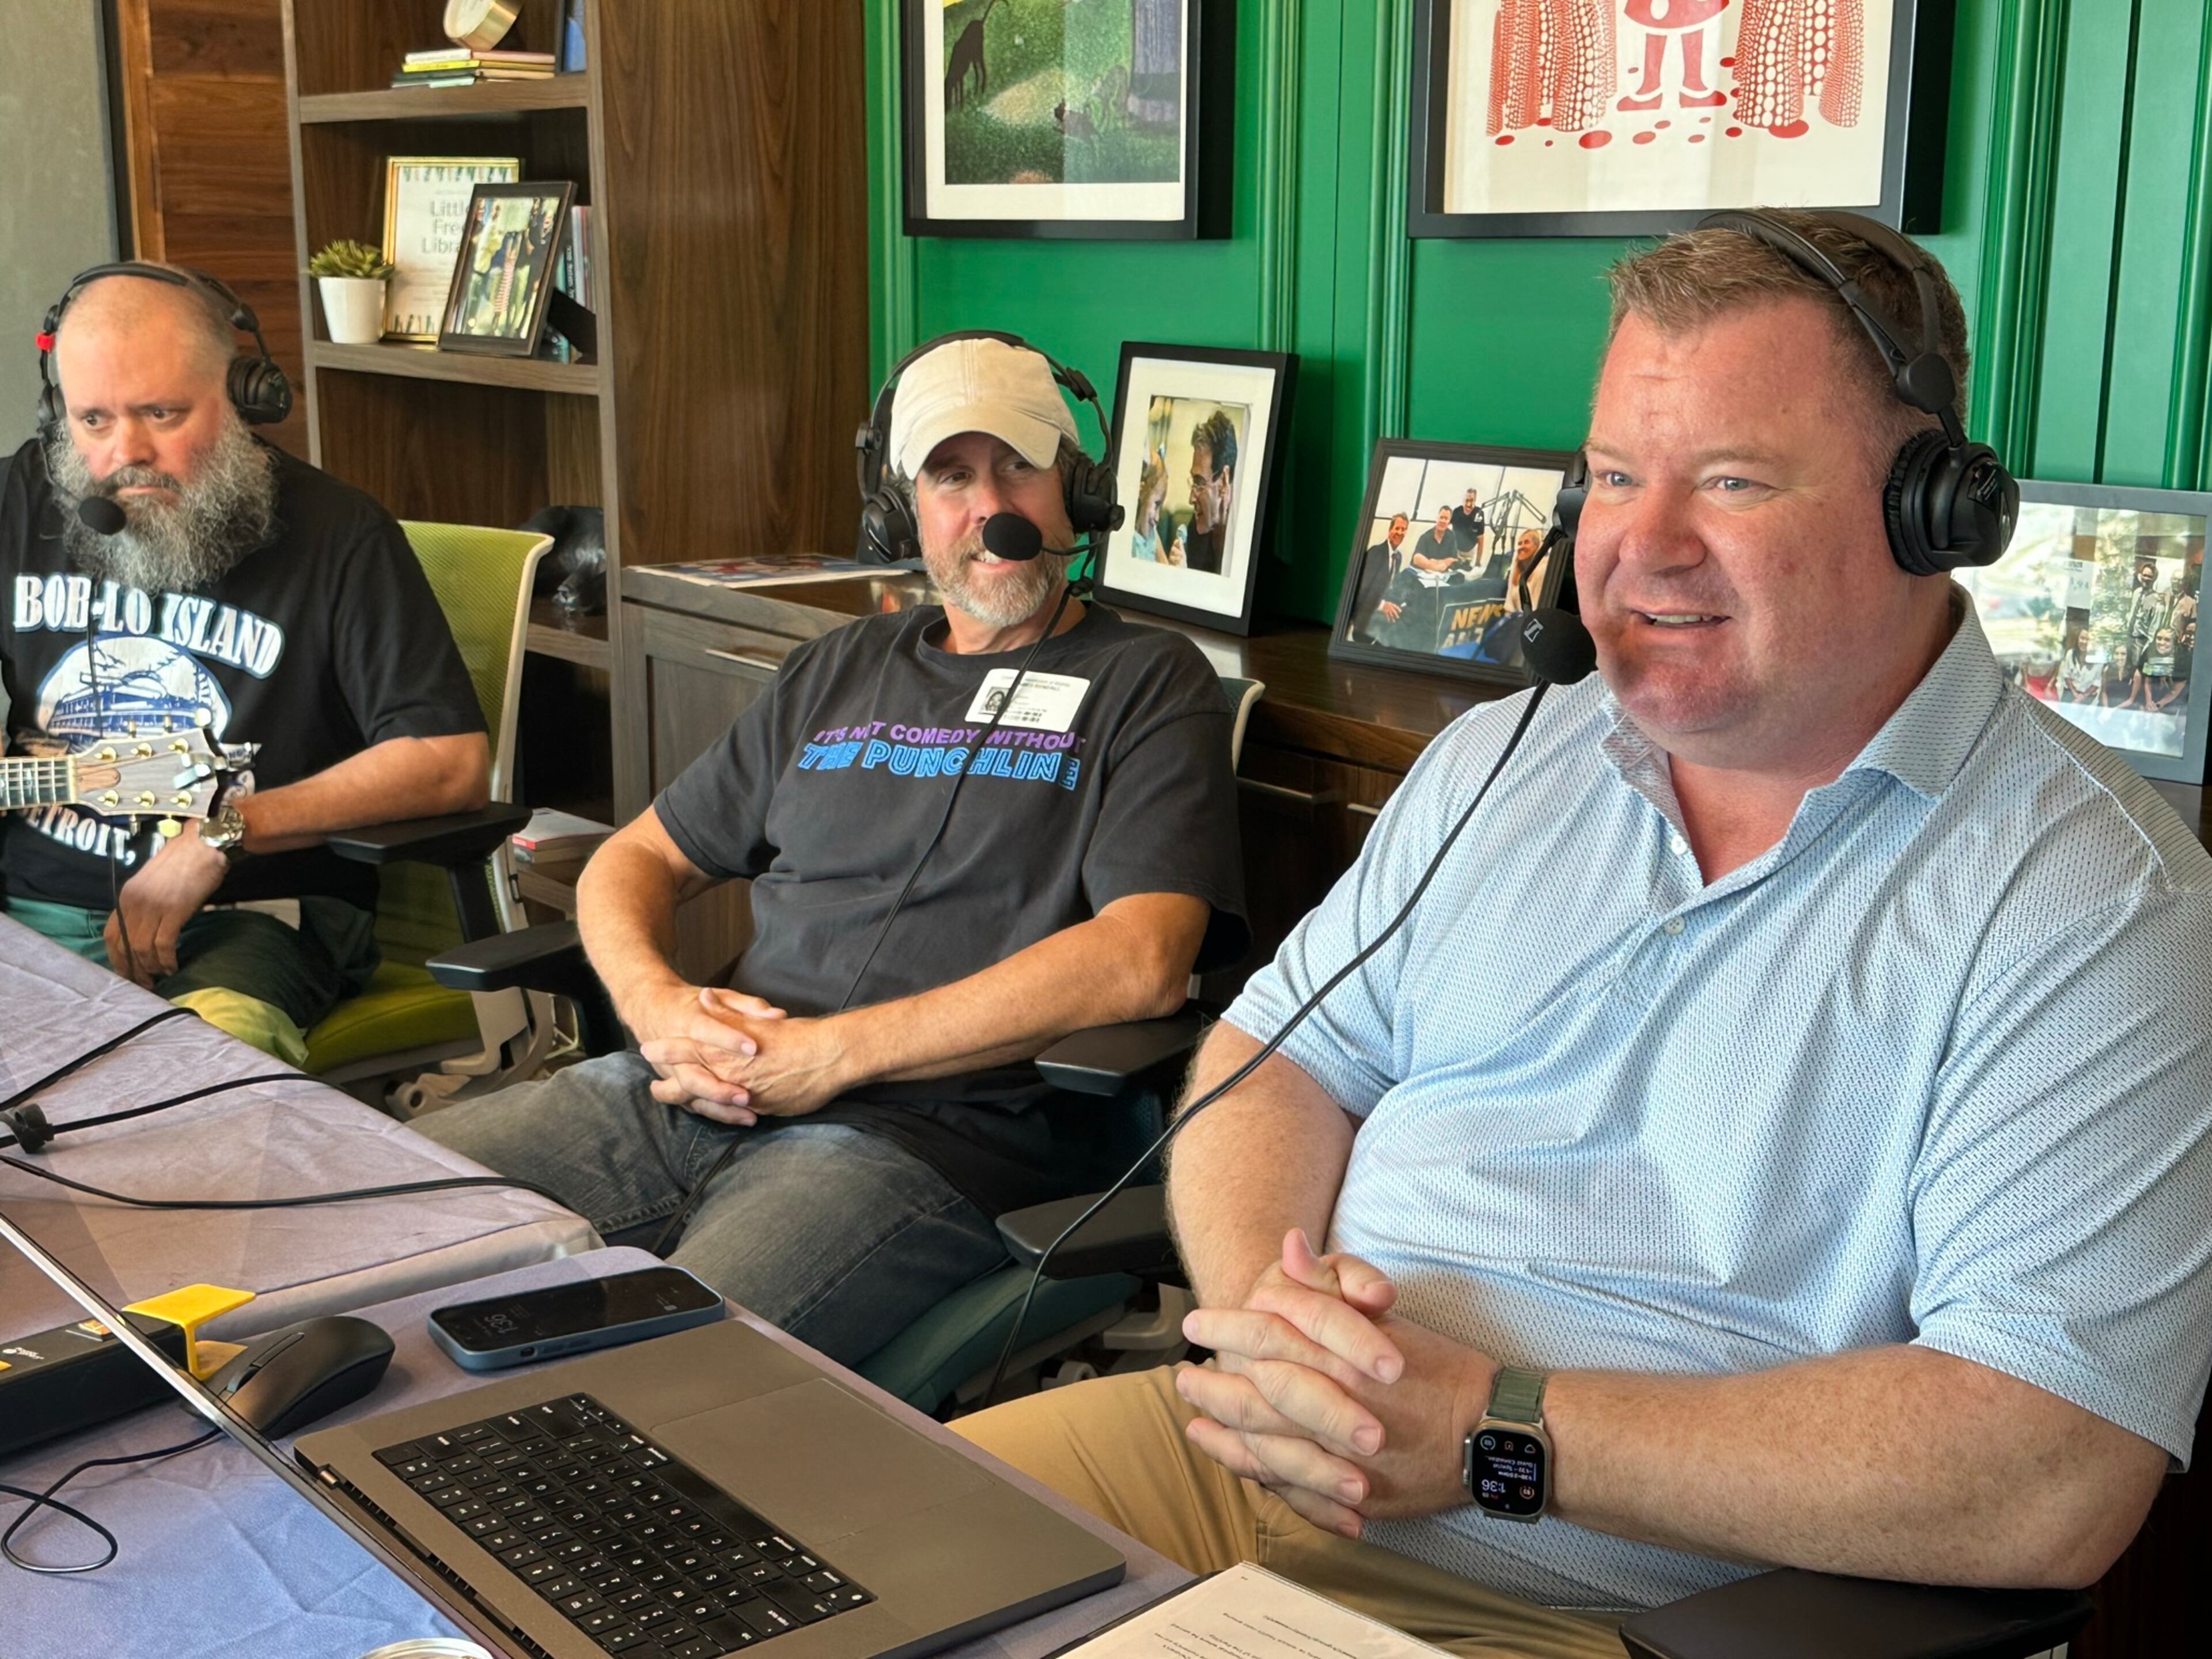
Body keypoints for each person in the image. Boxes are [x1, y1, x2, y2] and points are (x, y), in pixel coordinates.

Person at [955, 213, 2212, 1652]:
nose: (1639, 548)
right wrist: (1280, 1341)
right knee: (817, 1572)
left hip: (1610, 1612)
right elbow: (1274, 1058)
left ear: (1929, 507)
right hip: (1232, 1467)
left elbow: (2043, 1469)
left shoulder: (2097, 907)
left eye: (1729, 480)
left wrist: (1494, 1437)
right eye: (1612, 476)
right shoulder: (1511, 755)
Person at [419, 335, 1249, 1365]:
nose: (990, 506)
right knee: (366, 1223)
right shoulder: (840, 666)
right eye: (952, 475)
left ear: (1076, 491)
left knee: (663, 1374)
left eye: (1019, 468)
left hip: (914, 1145)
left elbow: (1142, 959)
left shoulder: (1149, 682)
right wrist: (660, 1011)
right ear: (903, 510)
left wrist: (831, 1057)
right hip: (684, 1090)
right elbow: (631, 861)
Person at [0, 266, 490, 1065]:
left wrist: (225, 832)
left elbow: (449, 763)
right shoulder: (19, 500)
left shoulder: (341, 535)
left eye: (162, 413)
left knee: (190, 1081)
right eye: (92, 420)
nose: (128, 454)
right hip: (34, 911)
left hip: (257, 918)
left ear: (242, 394)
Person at [1184, 408, 1237, 574]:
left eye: (1200, 483)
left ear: (1224, 481)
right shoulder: (1195, 528)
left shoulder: (1242, 537)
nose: (1191, 499)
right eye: (1194, 482)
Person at [1352, 513, 1411, 642]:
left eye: (1403, 529)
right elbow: (1362, 589)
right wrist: (1383, 605)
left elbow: (1392, 586)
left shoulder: (1398, 557)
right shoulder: (1375, 553)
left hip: (1381, 617)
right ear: (1390, 530)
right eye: (1397, 528)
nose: (1400, 532)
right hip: (1365, 619)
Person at [1128, 447, 1169, 563]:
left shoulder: (1152, 535)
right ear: (1140, 492)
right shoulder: (1129, 537)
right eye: (1156, 505)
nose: (1158, 518)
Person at [1408, 506, 1460, 572]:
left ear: (1450, 522)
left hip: (1442, 575)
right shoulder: (1425, 537)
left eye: (1446, 519)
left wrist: (1435, 561)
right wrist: (1436, 567)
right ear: (1437, 519)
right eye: (1441, 518)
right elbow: (1417, 559)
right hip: (1423, 574)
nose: (1443, 521)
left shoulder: (1451, 536)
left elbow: (1453, 560)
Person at [1450, 489, 1487, 560]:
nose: (1469, 504)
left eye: (1472, 501)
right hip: (1455, 550)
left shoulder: (1479, 514)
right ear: (1463, 500)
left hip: (1470, 553)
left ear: (1475, 501)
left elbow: (1481, 540)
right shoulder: (1457, 512)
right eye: (1467, 500)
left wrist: (1478, 562)